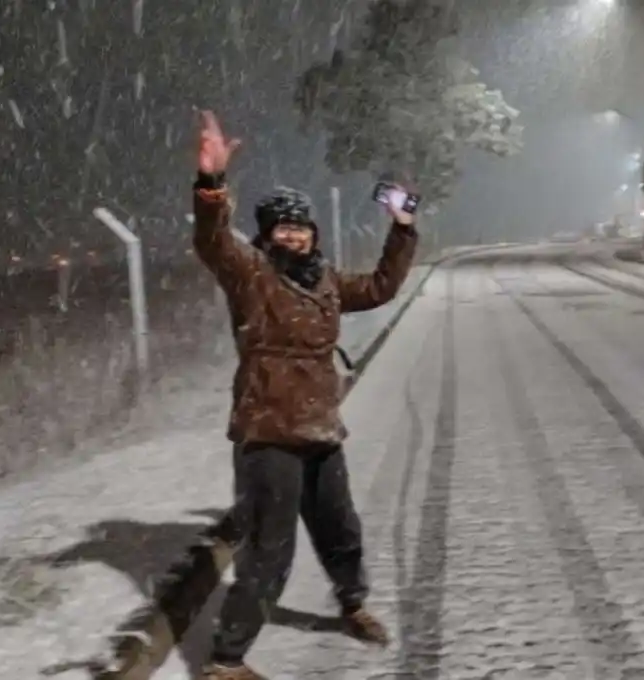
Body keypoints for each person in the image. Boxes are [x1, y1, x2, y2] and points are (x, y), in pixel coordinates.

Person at [192, 111, 419, 680]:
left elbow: (380, 287)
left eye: (301, 226)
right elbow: (213, 241)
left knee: (341, 528)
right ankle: (227, 659)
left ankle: (354, 604)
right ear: (266, 234)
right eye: (282, 227)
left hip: (320, 424)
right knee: (271, 549)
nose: (294, 234)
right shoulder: (251, 274)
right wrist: (212, 185)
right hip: (268, 429)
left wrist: (402, 230)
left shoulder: (324, 279)